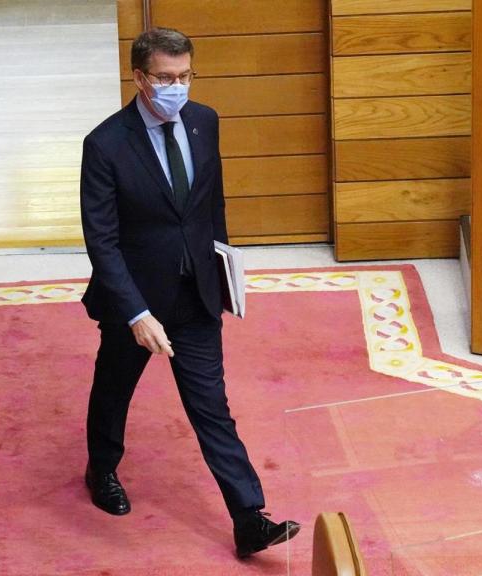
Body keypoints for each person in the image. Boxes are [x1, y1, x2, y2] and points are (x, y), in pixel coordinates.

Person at [79, 27, 299, 558]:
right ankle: (101, 469)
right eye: (165, 78)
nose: (178, 87)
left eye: (185, 76)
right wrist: (134, 312)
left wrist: (222, 270)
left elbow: (209, 203)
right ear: (139, 77)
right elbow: (101, 240)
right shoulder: (105, 144)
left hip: (195, 294)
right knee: (114, 391)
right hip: (135, 301)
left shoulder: (204, 121)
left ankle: (249, 517)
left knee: (211, 407)